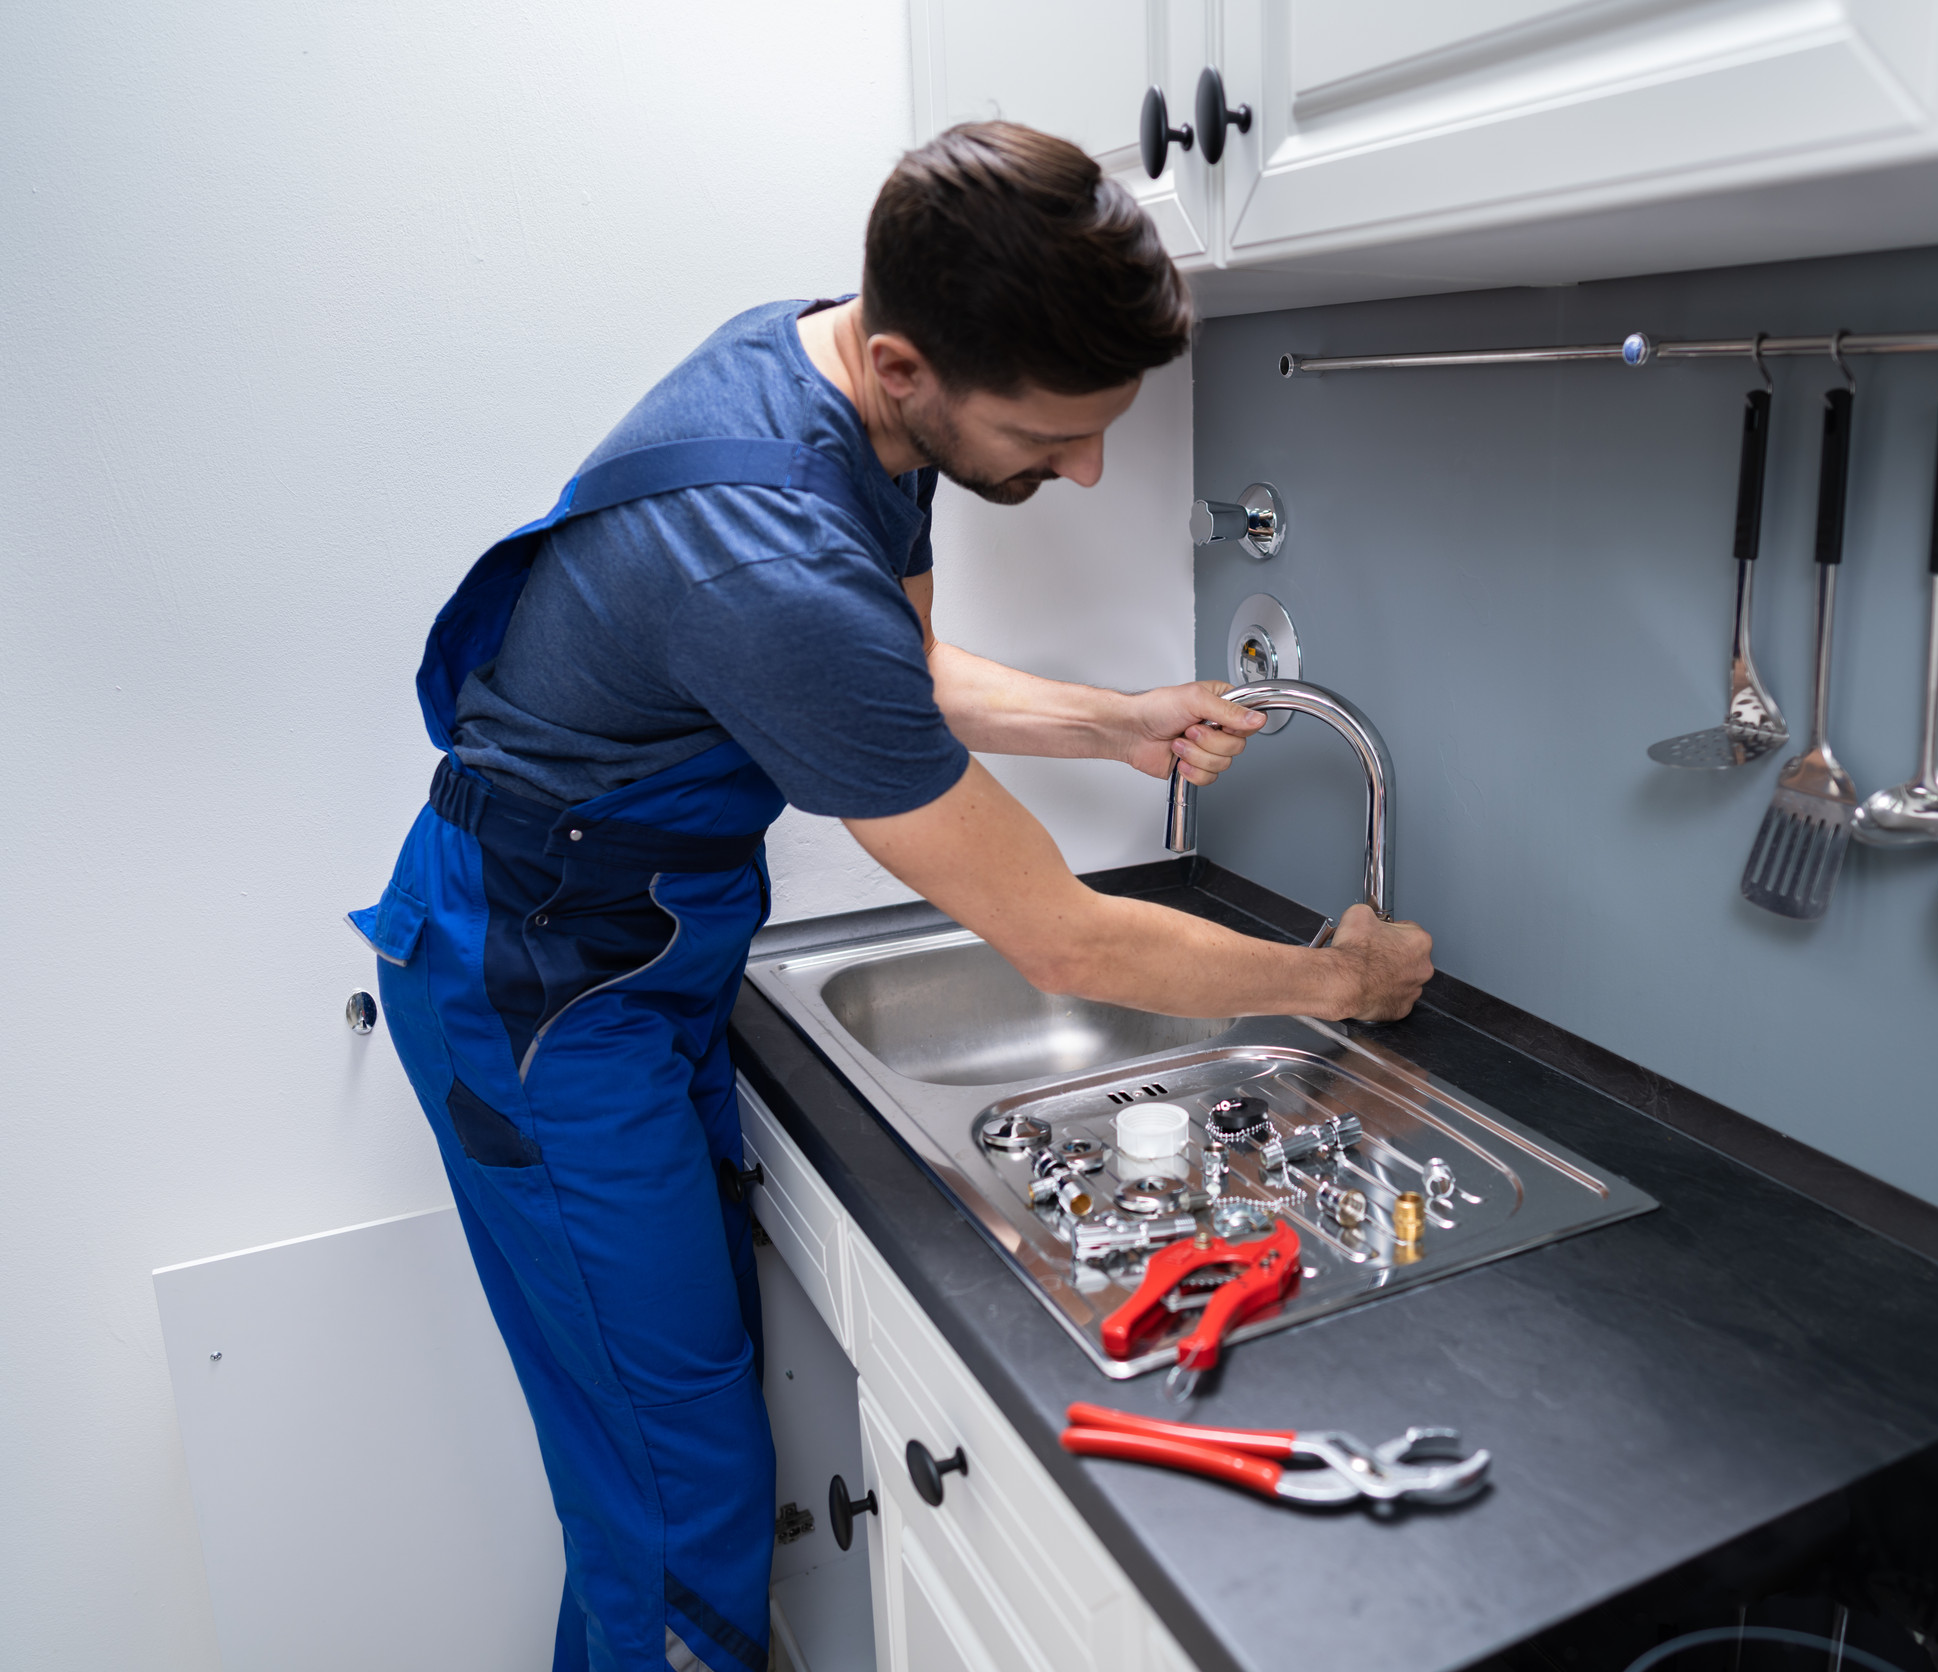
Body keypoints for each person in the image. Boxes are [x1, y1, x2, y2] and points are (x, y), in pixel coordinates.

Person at [348, 121, 1433, 1672]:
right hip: (537, 997)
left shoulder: (846, 389)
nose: (1087, 468)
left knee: (673, 1446)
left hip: (628, 957)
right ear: (914, 361)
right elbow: (1055, 933)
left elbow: (898, 674)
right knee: (678, 1514)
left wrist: (1112, 717)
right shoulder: (764, 561)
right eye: (1057, 433)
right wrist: (1341, 981)